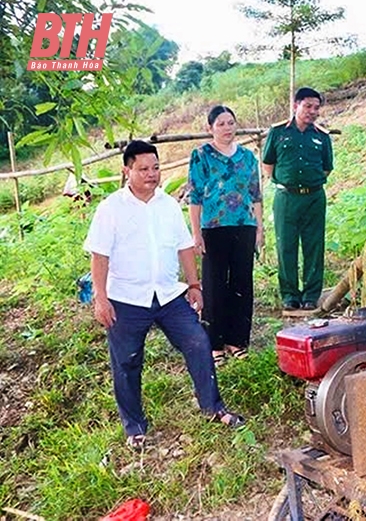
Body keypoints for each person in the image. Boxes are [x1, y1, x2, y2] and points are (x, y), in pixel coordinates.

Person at [84, 140, 245, 450]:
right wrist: (100, 298)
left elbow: (185, 247)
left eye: (155, 167)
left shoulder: (168, 205)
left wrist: (195, 285)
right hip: (126, 299)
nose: (151, 174)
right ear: (126, 170)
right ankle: (135, 428)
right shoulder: (111, 208)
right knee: (127, 362)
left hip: (169, 296)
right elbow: (99, 255)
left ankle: (213, 408)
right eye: (143, 169)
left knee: (198, 341)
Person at [188, 105, 263, 365]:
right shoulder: (201, 156)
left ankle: (237, 341)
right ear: (210, 128)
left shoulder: (247, 157)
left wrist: (259, 228)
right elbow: (195, 196)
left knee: (242, 285)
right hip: (214, 227)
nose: (227, 128)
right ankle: (215, 345)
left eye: (231, 122)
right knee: (215, 285)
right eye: (221, 123)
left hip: (244, 225)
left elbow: (255, 194)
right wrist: (196, 233)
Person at [262, 87, 333, 311]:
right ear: (296, 106)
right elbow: (268, 164)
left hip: (314, 198)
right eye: (307, 106)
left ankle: (311, 294)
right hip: (286, 198)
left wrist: (308, 184)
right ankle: (289, 295)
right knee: (286, 246)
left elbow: (326, 169)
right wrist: (287, 182)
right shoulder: (278, 132)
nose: (312, 112)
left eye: (316, 108)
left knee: (314, 245)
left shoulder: (322, 136)